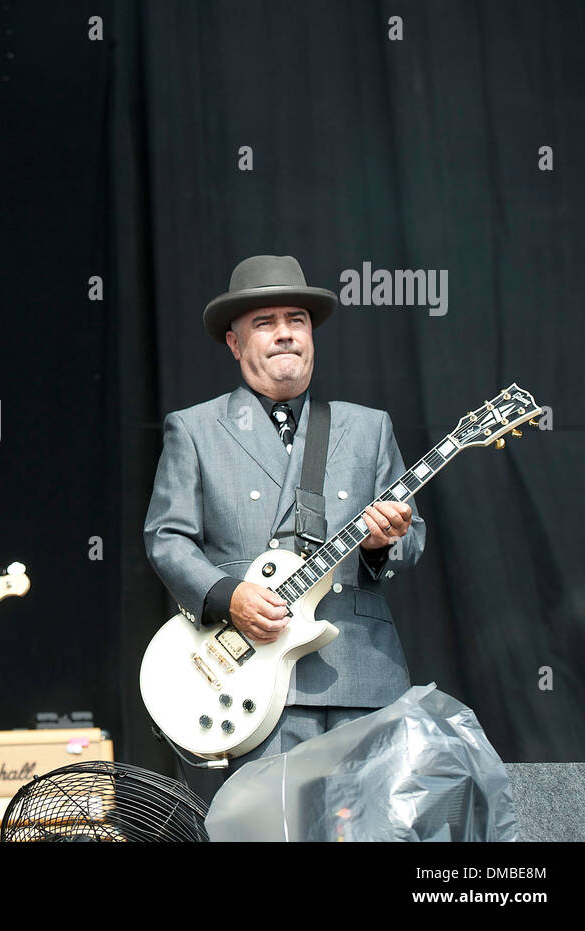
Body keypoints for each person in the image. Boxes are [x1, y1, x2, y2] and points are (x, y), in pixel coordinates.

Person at [143, 254, 426, 771]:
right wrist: (229, 597)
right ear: (235, 343)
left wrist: (386, 540)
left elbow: (412, 536)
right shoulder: (194, 429)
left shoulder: (367, 427)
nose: (284, 334)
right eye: (264, 323)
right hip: (251, 678)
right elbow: (167, 537)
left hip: (361, 672)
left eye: (296, 320)